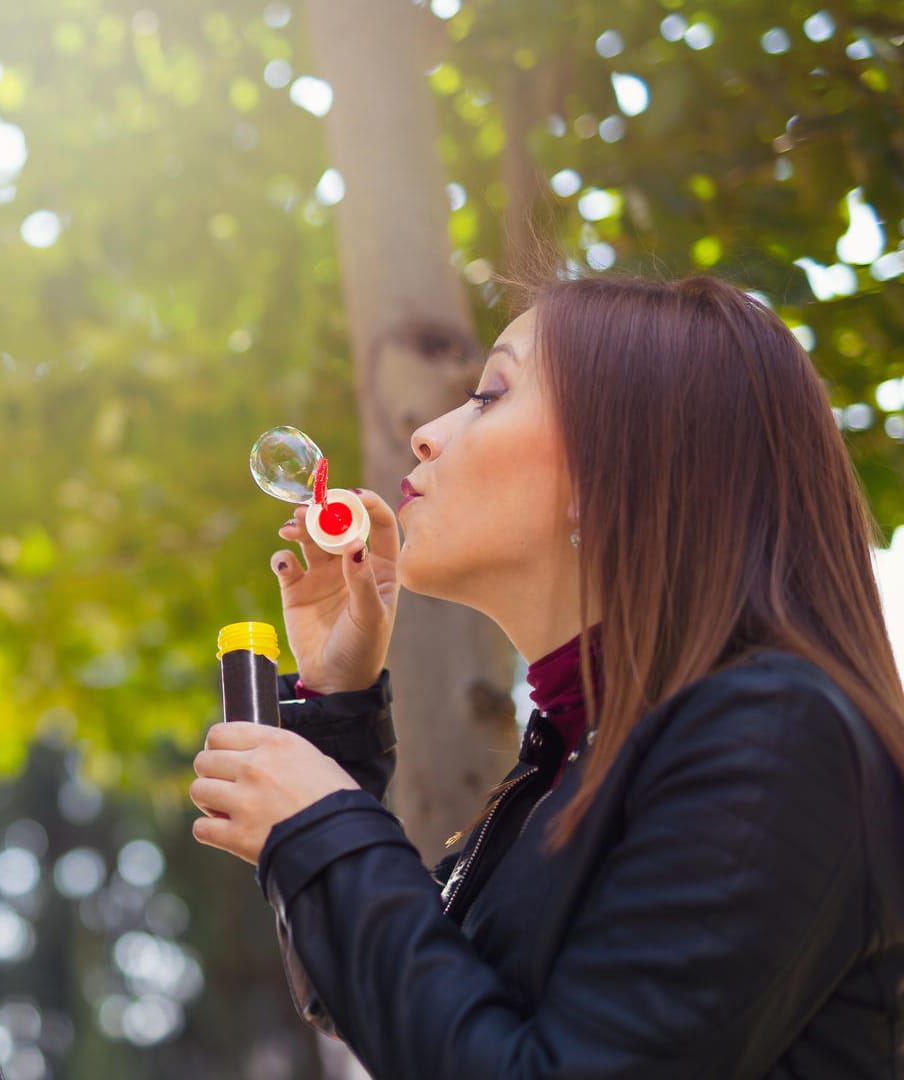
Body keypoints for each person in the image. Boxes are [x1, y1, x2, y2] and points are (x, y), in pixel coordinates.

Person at [190, 275, 904, 1077]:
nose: (426, 433)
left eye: (490, 396)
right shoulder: (578, 752)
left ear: (619, 467)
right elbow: (412, 1008)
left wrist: (318, 821)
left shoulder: (774, 738)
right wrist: (339, 710)